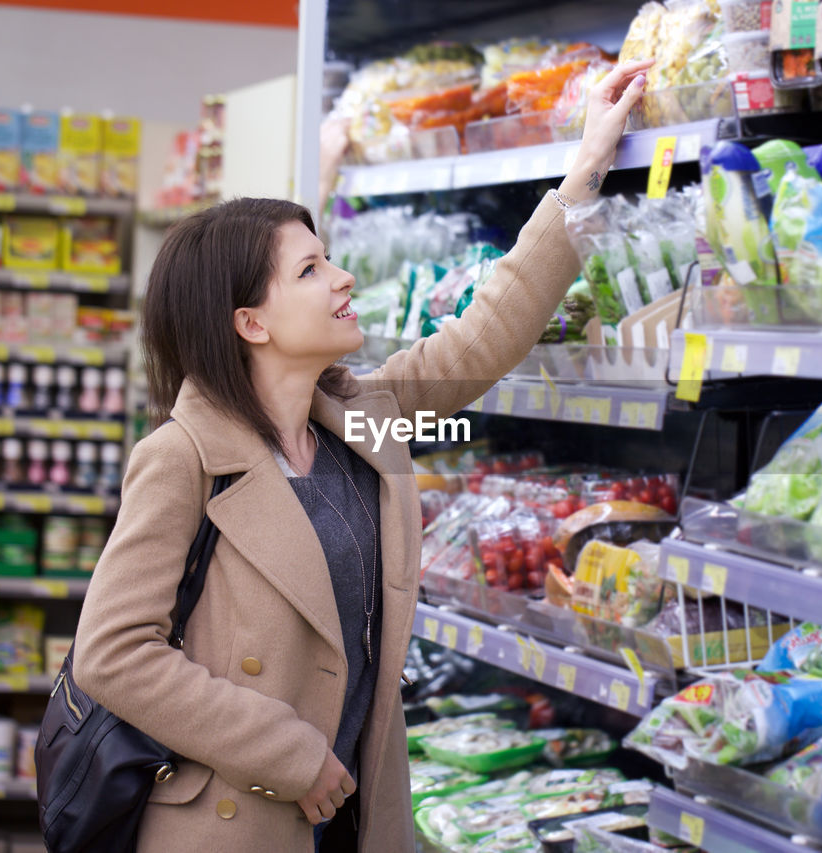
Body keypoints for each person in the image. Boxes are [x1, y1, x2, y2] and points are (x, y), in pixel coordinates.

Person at [71, 58, 653, 853]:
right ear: (251, 323)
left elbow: (485, 331)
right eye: (311, 269)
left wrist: (584, 168)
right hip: (235, 820)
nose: (342, 277)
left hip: (353, 814)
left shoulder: (361, 426)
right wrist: (289, 753)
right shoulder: (183, 458)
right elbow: (112, 653)